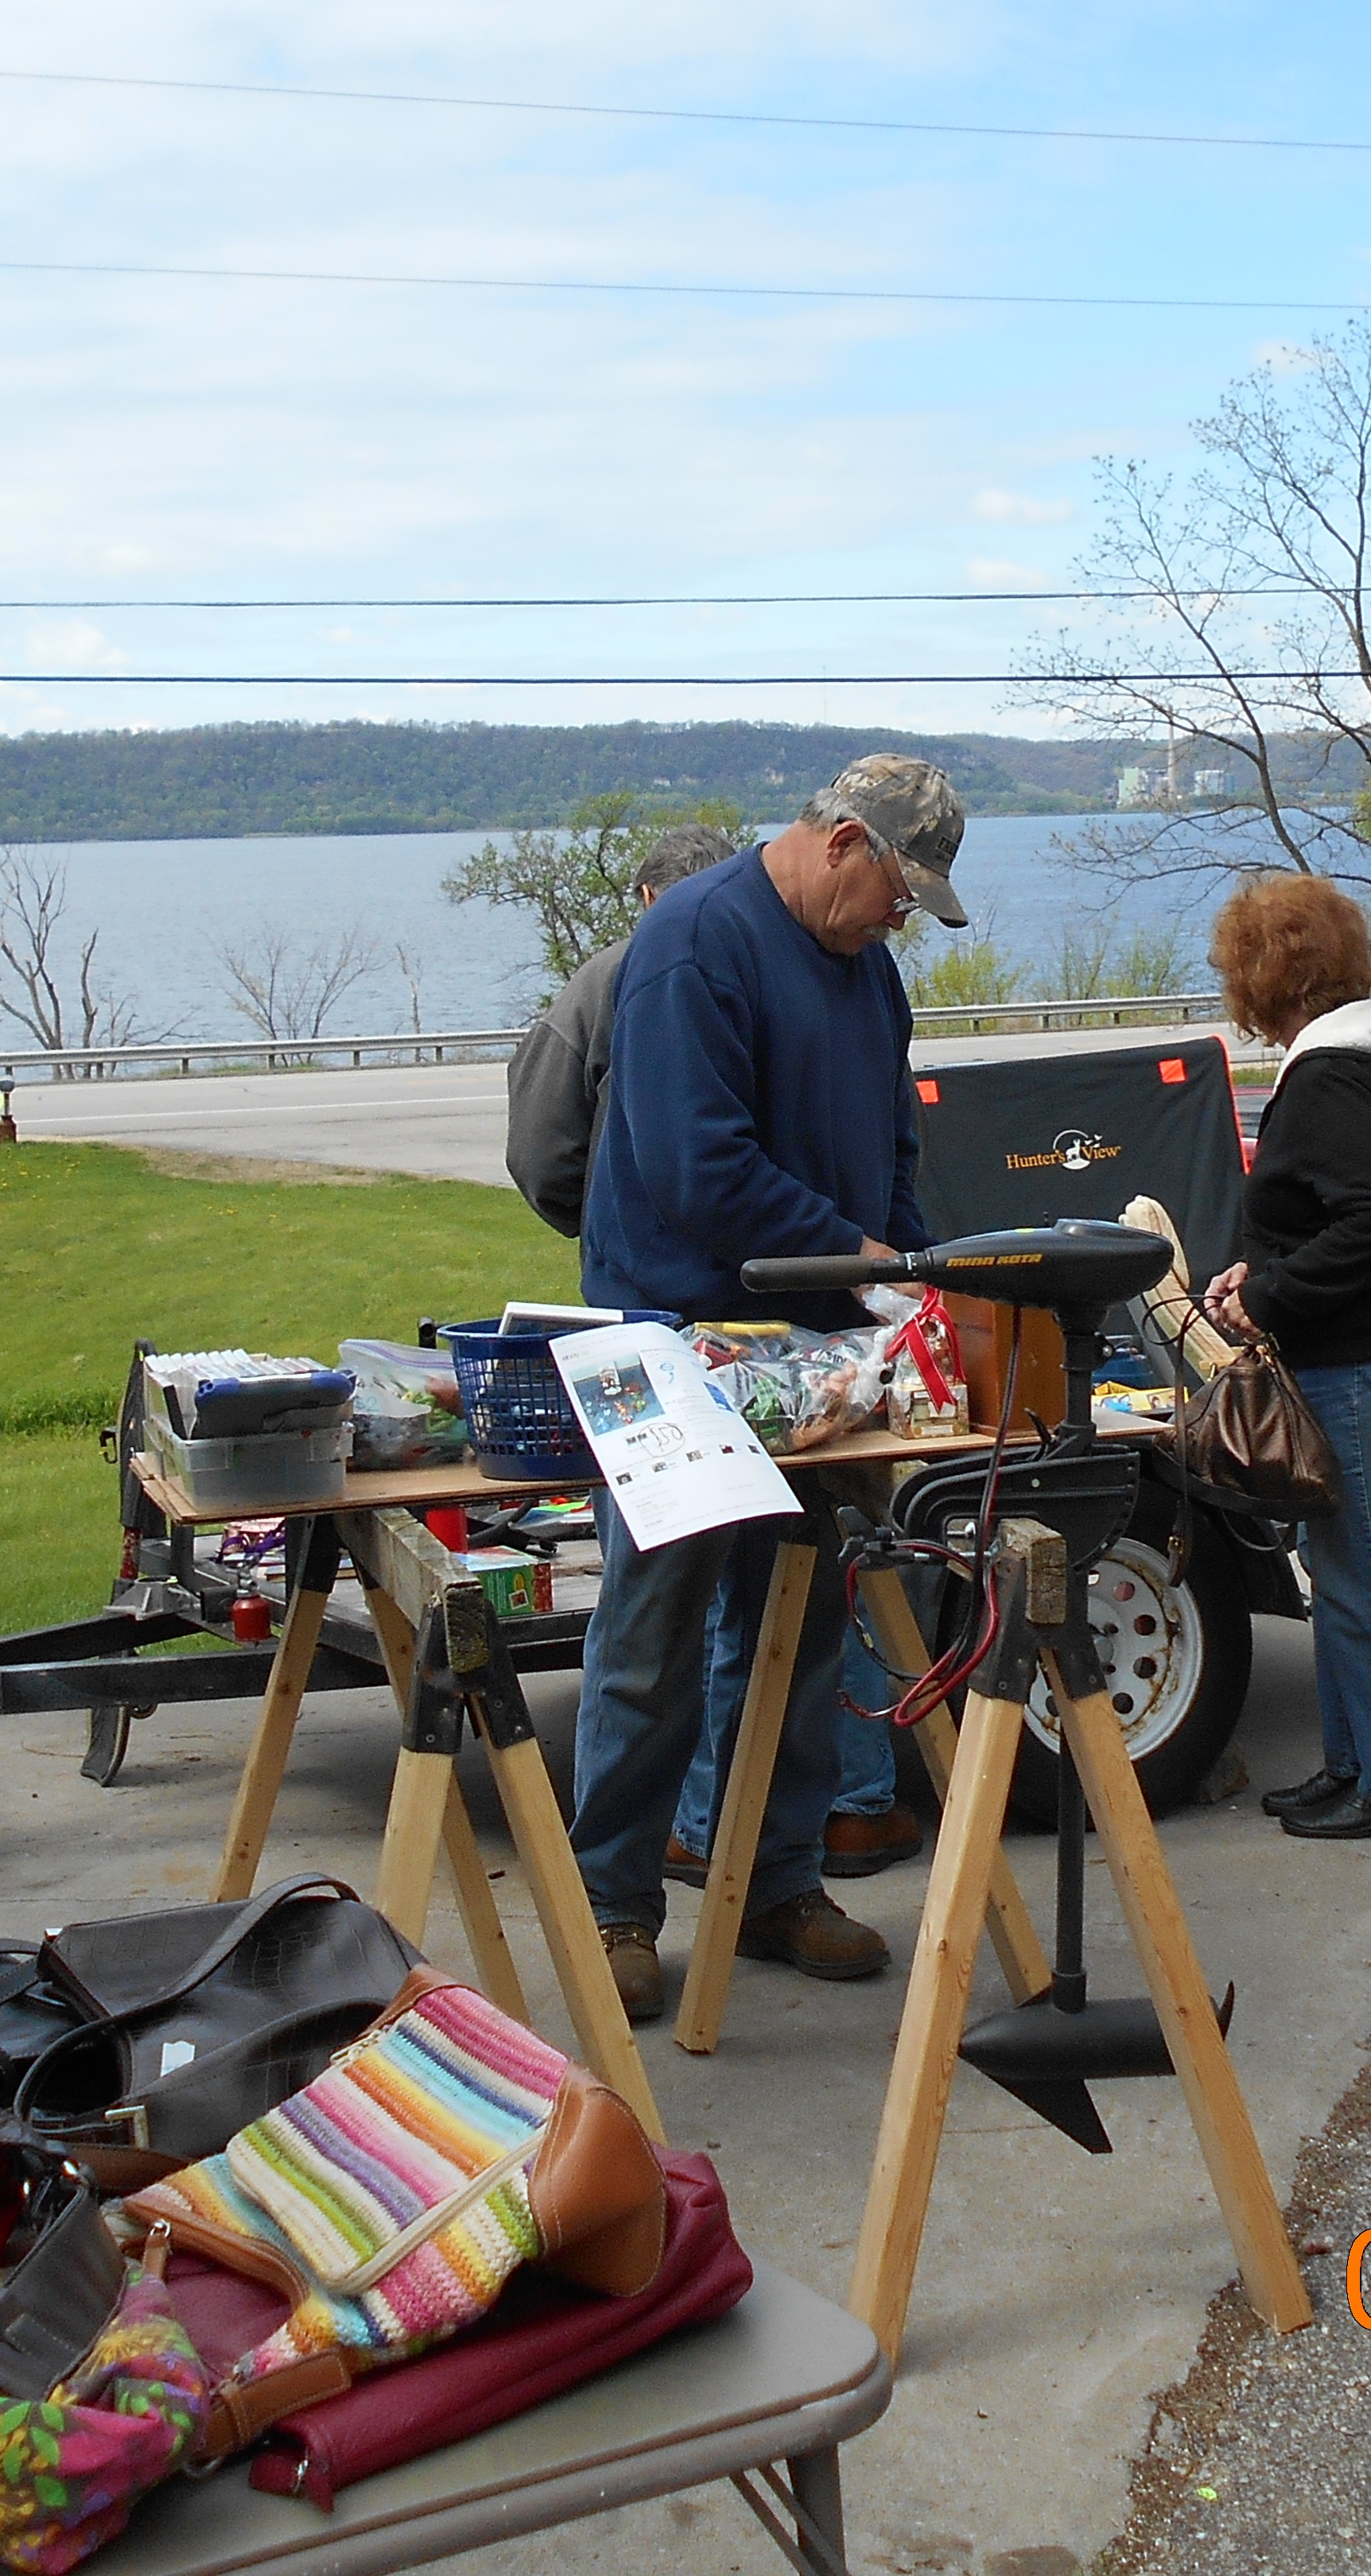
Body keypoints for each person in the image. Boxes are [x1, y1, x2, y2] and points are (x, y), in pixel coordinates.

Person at [568, 755, 968, 2015]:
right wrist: (852, 1259)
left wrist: (901, 1268)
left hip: (817, 1352)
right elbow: (695, 1168)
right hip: (675, 1342)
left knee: (798, 1626)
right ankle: (615, 1910)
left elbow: (895, 1140)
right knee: (653, 1637)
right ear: (843, 843)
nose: (901, 919)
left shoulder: (869, 975)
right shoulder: (695, 944)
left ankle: (774, 1881)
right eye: (899, 892)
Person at [1194, 875, 1371, 1842]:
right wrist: (1264, 1266)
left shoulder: (1328, 1079)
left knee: (1363, 1576)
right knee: (1343, 1567)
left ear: (1266, 979)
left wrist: (1269, 1295)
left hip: (1369, 1355)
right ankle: (1349, 1765)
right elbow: (1350, 1209)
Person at [503, 821, 741, 1235]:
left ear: (649, 896)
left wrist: (609, 1220)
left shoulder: (604, 980)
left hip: (644, 1262)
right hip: (791, 1255)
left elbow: (542, 1154)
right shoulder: (791, 969)